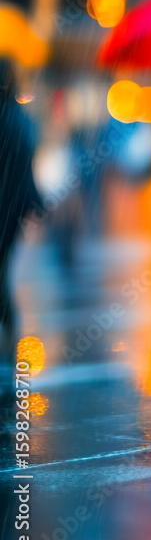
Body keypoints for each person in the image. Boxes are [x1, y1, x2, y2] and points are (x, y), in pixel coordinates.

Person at [0, 59, 41, 350]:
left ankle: (9, 322)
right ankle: (9, 323)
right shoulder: (19, 120)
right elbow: (26, 167)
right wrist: (33, 201)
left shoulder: (14, 120)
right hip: (9, 209)